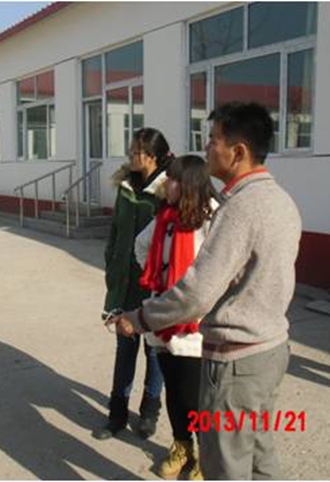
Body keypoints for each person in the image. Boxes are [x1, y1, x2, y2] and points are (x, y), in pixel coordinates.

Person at [109, 102, 302, 480]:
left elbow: (197, 293)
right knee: (259, 456)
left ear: (238, 152)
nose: (207, 147)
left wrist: (140, 317)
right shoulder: (282, 200)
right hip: (271, 348)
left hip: (237, 360)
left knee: (225, 464)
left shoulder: (239, 208)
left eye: (213, 140)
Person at [134, 155, 216, 480]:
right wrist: (159, 278)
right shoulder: (165, 216)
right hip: (164, 316)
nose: (165, 184)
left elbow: (223, 268)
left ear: (188, 183)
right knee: (173, 391)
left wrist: (196, 295)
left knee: (194, 395)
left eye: (171, 179)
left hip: (195, 325)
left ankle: (207, 457)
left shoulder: (211, 217)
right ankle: (182, 446)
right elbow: (140, 246)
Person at [96, 127, 173, 440]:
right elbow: (115, 230)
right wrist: (111, 263)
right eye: (131, 151)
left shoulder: (168, 190)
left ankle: (150, 411)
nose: (131, 156)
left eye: (136, 152)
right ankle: (117, 413)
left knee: (154, 352)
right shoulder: (126, 185)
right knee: (124, 348)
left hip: (152, 284)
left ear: (152, 156)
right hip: (124, 284)